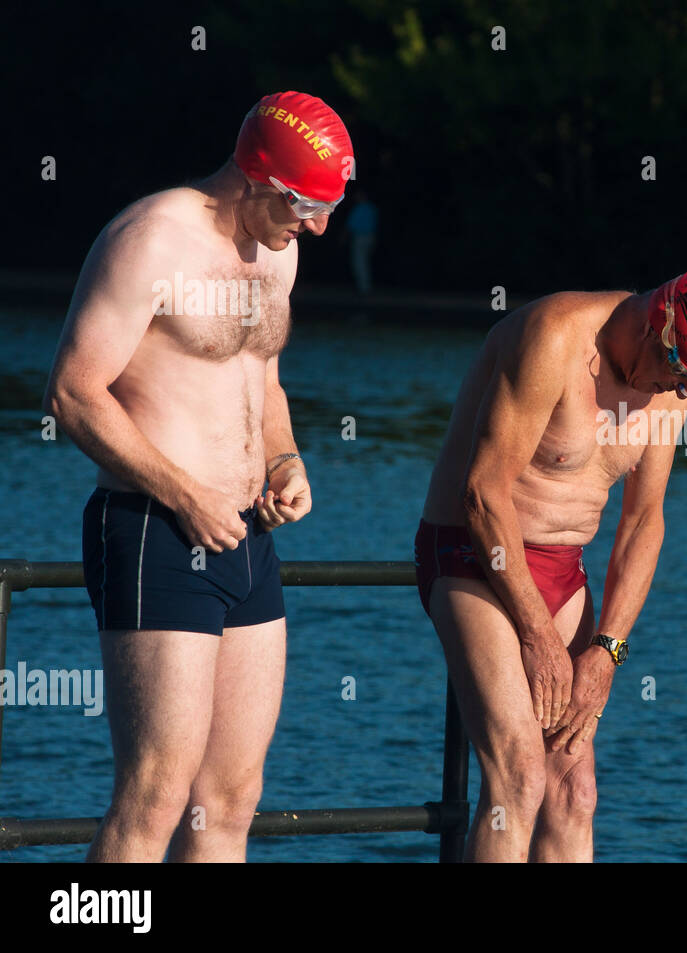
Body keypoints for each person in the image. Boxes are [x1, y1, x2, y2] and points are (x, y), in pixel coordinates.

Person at [43, 91, 352, 862]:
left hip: (247, 536)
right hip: (156, 529)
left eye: (329, 206)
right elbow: (72, 393)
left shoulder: (278, 248)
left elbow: (264, 379)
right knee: (154, 793)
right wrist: (186, 493)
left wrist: (285, 459)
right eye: (305, 204)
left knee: (231, 798)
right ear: (254, 175)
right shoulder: (149, 241)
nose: (317, 225)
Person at [417, 270, 687, 862]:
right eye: (677, 373)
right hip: (476, 554)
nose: (678, 391)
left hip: (563, 569)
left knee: (575, 792)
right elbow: (482, 493)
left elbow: (644, 523)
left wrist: (607, 649)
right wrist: (538, 635)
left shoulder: (674, 387)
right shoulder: (555, 338)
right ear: (659, 326)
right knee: (518, 777)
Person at [344, 190, 378, 294]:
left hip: (361, 237)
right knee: (364, 261)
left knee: (359, 262)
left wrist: (344, 237)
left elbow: (350, 226)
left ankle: (364, 288)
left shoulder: (359, 208)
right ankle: (364, 286)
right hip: (370, 237)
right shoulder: (372, 208)